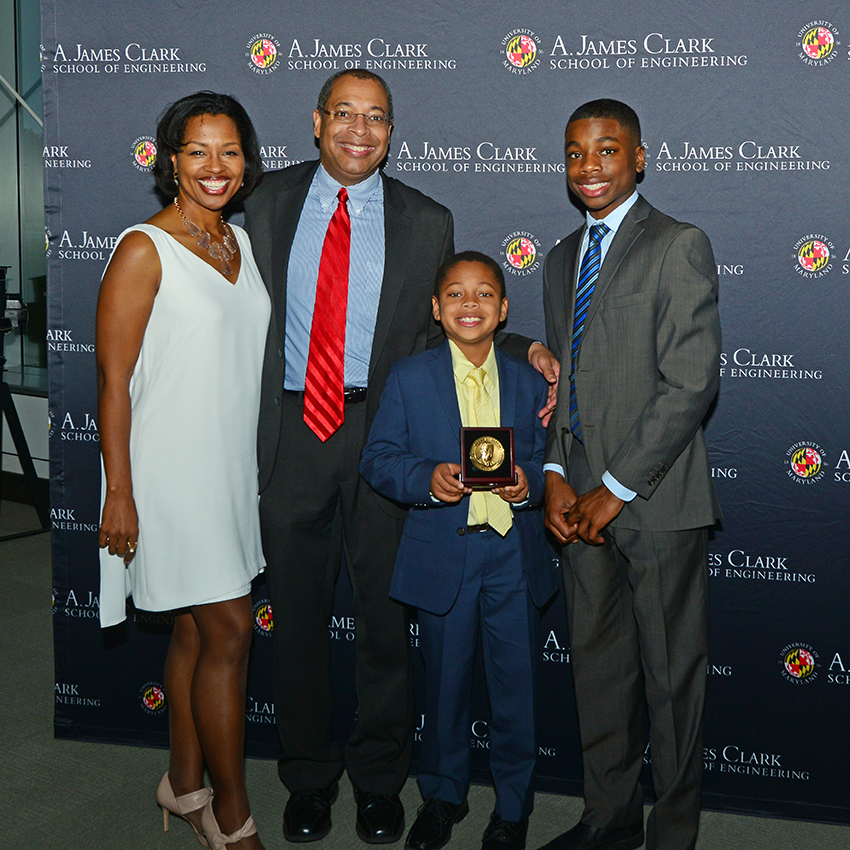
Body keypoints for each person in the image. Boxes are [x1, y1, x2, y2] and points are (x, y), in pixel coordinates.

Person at [243, 69, 558, 845]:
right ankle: (309, 778)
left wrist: (523, 345)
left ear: (392, 129)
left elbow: (446, 320)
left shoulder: (426, 218)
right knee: (299, 615)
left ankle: (381, 780)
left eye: (376, 116)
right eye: (344, 114)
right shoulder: (264, 203)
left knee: (386, 621)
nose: (359, 129)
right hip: (290, 430)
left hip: (385, 430)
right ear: (317, 123)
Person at [538, 99, 721, 850]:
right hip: (575, 505)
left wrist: (612, 490)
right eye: (576, 152)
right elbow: (565, 387)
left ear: (639, 158)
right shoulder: (558, 260)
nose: (590, 166)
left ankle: (671, 836)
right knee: (601, 674)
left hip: (655, 503)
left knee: (672, 682)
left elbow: (690, 384)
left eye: (607, 150)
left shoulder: (678, 243)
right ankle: (607, 822)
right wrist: (554, 470)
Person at [97, 91, 270, 850]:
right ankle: (232, 819)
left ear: (245, 162)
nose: (214, 166)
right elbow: (112, 383)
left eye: (228, 151)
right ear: (170, 159)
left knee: (200, 634)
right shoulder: (144, 247)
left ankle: (182, 781)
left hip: (226, 469)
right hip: (166, 474)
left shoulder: (240, 242)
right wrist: (122, 493)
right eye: (197, 151)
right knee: (230, 628)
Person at [360, 252, 560, 850]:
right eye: (454, 294)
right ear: (435, 308)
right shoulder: (409, 377)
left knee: (515, 688)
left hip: (512, 557)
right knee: (443, 689)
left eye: (482, 295)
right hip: (446, 553)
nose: (468, 305)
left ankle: (514, 808)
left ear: (503, 309)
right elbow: (378, 458)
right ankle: (443, 799)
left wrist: (530, 484)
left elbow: (548, 461)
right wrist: (426, 478)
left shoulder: (529, 381)